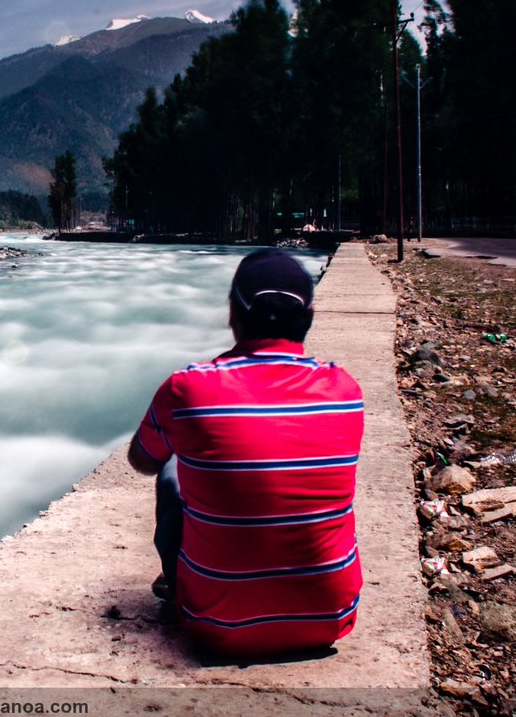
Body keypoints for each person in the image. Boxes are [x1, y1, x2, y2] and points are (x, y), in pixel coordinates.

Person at [127, 248, 364, 658]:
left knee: (172, 465)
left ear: (233, 315)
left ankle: (177, 581)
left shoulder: (187, 388)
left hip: (215, 624)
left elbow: (142, 461)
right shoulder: (344, 390)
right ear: (307, 318)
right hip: (330, 619)